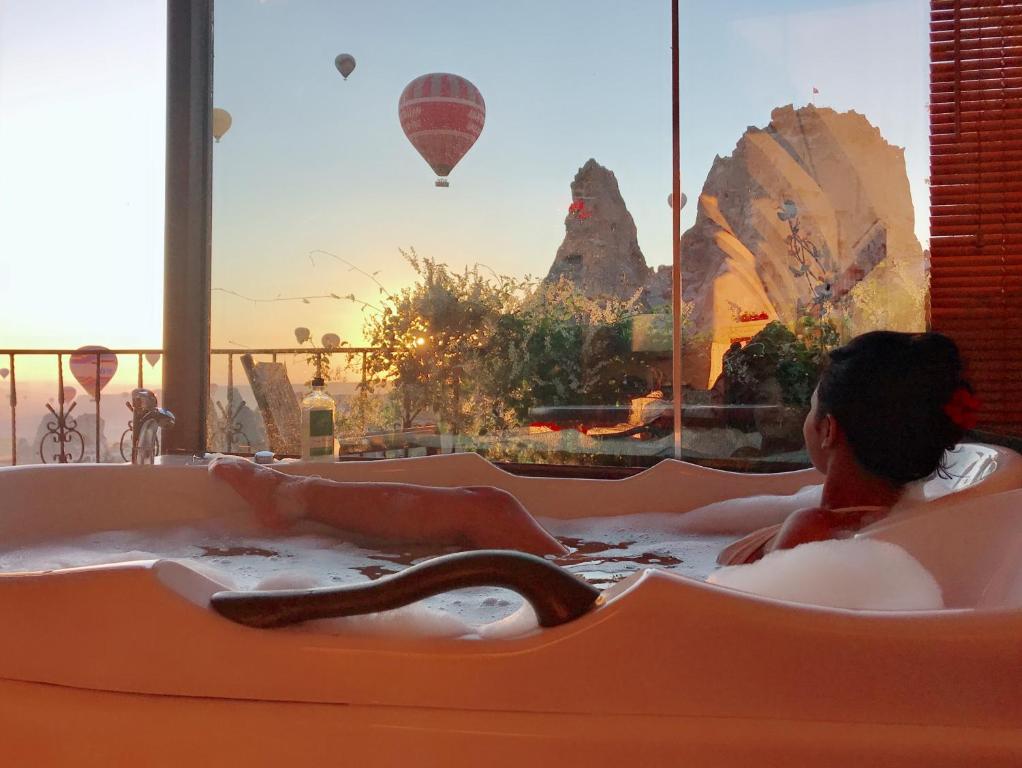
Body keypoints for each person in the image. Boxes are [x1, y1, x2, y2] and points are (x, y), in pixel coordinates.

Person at [211, 331, 978, 564]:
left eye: (810, 407)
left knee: (487, 507)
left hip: (629, 607)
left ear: (827, 430)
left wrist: (600, 563)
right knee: (490, 514)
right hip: (643, 578)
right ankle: (302, 503)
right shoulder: (860, 512)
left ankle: (292, 498)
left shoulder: (820, 525)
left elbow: (722, 593)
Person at [717, 330, 978, 564]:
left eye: (811, 406)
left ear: (828, 430)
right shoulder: (899, 522)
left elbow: (758, 612)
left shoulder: (811, 528)